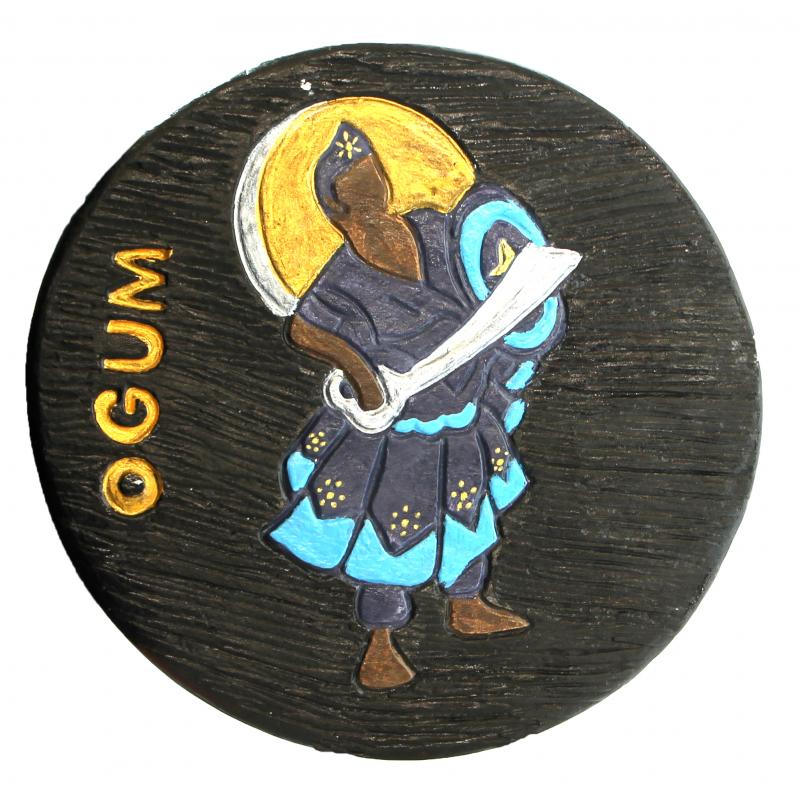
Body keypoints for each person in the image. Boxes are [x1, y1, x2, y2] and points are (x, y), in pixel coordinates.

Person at [263, 123, 570, 689]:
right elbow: (305, 329)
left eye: (374, 172)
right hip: (398, 432)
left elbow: (488, 262)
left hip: (463, 412)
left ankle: (468, 604)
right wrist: (360, 372)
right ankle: (380, 645)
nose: (373, 184)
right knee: (388, 534)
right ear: (334, 205)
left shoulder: (432, 229)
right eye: (356, 180)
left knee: (469, 513)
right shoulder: (342, 275)